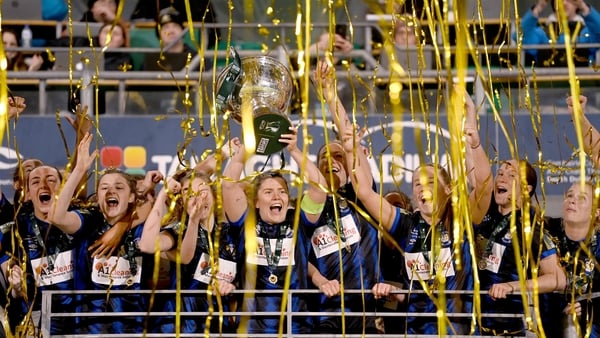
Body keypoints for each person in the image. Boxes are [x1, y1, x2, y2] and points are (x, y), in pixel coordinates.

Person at [349, 85, 492, 334]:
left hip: (458, 330)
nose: (422, 187)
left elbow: (484, 186)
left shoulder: (461, 220)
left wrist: (474, 137)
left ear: (448, 189)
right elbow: (364, 192)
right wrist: (351, 149)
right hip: (417, 331)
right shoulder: (406, 225)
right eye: (417, 183)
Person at [48, 133, 154, 334]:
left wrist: (123, 224)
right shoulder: (89, 220)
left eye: (119, 187)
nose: (110, 191)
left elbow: (161, 208)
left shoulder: (142, 225)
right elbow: (56, 216)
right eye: (104, 187)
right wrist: (79, 170)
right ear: (97, 197)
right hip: (88, 330)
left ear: (132, 197)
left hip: (132, 329)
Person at [305, 60, 382, 334]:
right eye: (323, 157)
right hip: (326, 313)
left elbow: (349, 138)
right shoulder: (307, 207)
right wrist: (318, 279)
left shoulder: (362, 195)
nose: (331, 161)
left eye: (338, 156)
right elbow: (300, 256)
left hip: (367, 312)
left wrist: (330, 97)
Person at [222, 129, 322, 334]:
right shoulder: (246, 224)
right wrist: (244, 151)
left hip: (296, 328)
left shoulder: (299, 223)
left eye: (282, 192)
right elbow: (229, 186)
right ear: (257, 202)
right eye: (268, 192)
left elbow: (320, 189)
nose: (277, 197)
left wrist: (294, 150)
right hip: (252, 329)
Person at [139, 167, 241, 334]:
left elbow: (245, 277)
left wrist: (231, 287)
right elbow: (147, 245)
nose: (197, 198)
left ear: (215, 196)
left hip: (218, 327)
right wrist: (163, 194)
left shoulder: (231, 234)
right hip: (179, 326)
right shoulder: (179, 231)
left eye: (202, 190)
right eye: (189, 193)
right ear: (181, 202)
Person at [475, 158, 566, 336]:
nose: (501, 178)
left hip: (506, 326)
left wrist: (511, 286)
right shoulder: (485, 216)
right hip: (472, 322)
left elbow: (558, 279)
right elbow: (477, 179)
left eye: (511, 176)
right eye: (500, 173)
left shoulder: (531, 227)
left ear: (526, 189)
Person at [542, 181, 600, 337]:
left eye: (582, 198)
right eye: (569, 195)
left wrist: (586, 308)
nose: (572, 200)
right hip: (545, 323)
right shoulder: (544, 229)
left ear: (596, 212)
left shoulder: (599, 246)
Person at [520, 0, 600, 65]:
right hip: (548, 83)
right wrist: (538, 7)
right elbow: (519, 36)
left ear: (577, 3)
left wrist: (584, 7)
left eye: (569, 0)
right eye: (560, 1)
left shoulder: (586, 32)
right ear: (554, 4)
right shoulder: (543, 33)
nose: (564, 3)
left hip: (583, 83)